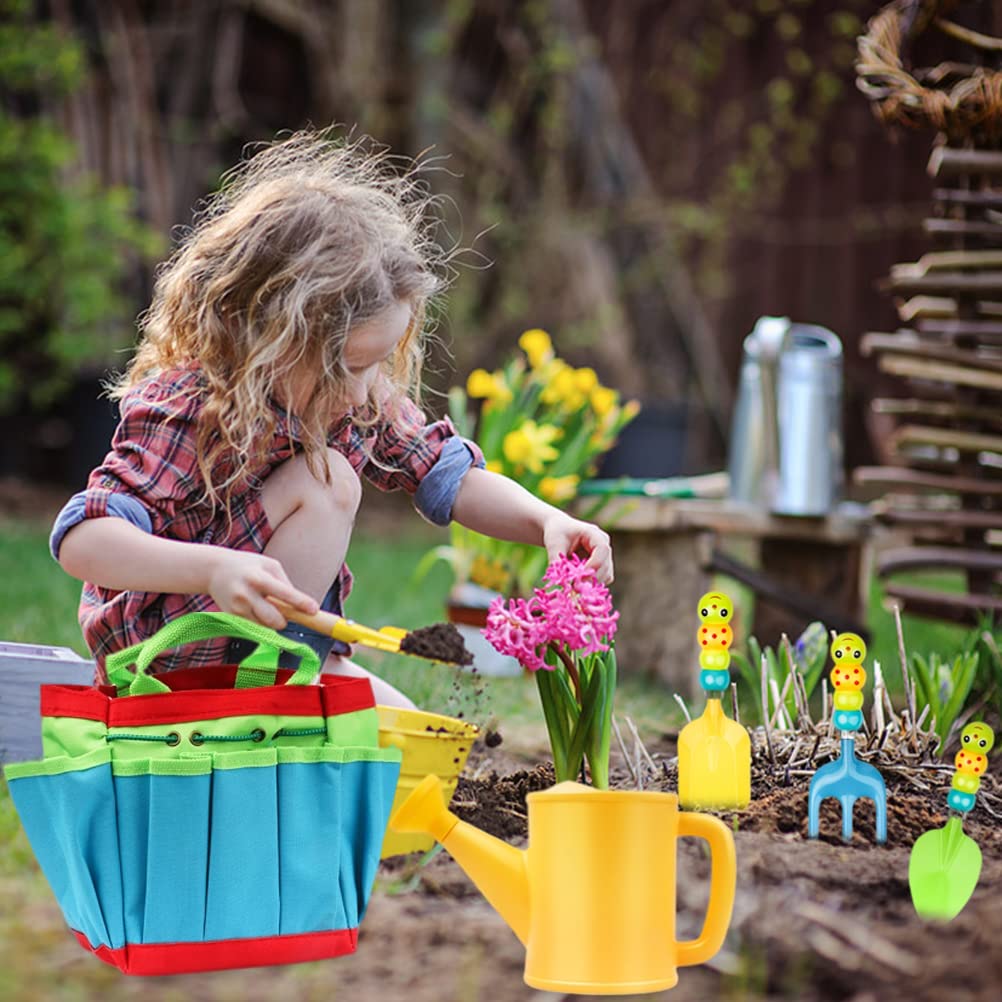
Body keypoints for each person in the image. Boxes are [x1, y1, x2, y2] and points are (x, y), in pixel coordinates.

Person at [50, 130, 613, 709]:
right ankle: (266, 688)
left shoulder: (352, 399)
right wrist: (213, 569)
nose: (369, 387)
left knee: (406, 740)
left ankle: (293, 668)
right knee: (327, 479)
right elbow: (82, 540)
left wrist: (546, 521)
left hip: (273, 643)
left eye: (380, 363)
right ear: (272, 336)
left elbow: (449, 477)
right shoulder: (191, 404)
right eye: (351, 364)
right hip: (165, 655)